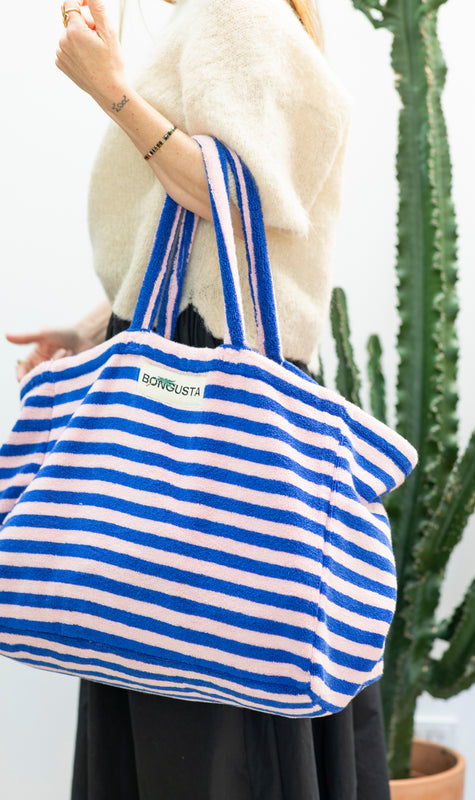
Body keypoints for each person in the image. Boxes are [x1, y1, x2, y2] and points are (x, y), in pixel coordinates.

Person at [8, 0, 392, 797]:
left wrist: (109, 89)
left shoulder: (238, 14)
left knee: (199, 726)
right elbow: (195, 242)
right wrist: (94, 330)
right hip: (194, 370)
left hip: (208, 404)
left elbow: (236, 194)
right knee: (190, 654)